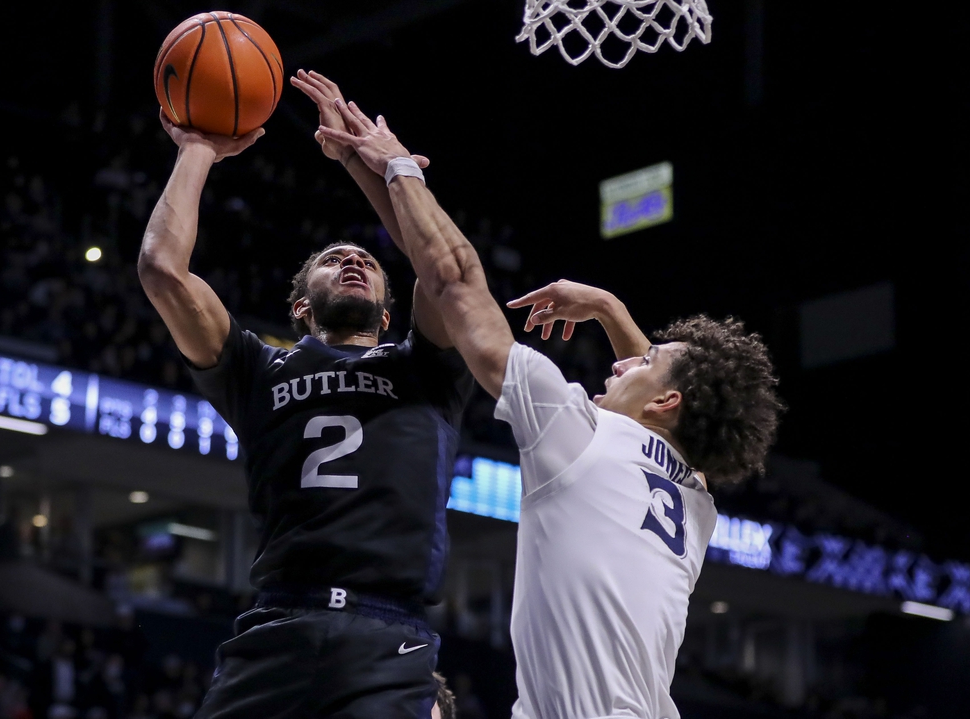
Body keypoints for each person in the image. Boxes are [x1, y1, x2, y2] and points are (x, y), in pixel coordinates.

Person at [320, 99, 783, 719]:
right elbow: (673, 410)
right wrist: (612, 312)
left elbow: (452, 281)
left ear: (668, 400)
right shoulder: (697, 506)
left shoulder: (579, 434)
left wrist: (401, 169)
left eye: (640, 364)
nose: (622, 361)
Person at [137, 70, 473, 718]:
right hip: (277, 627)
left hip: (387, 637)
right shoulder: (257, 370)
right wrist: (198, 150)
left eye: (368, 262)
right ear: (299, 306)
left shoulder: (426, 368)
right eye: (333, 258)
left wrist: (376, 165)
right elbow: (161, 269)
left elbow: (446, 270)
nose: (353, 260)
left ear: (386, 308)